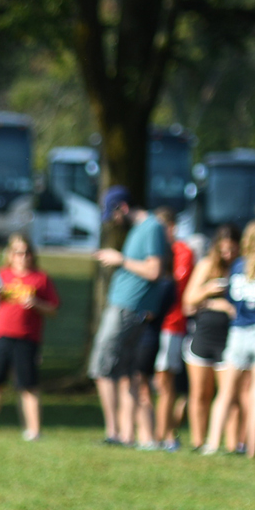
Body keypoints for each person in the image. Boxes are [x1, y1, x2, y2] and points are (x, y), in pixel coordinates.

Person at [91, 186, 167, 446]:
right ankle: (126, 434)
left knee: (102, 367)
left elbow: (154, 270)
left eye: (112, 215)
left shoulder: (152, 227)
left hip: (127, 308)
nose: (112, 221)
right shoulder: (139, 229)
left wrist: (120, 260)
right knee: (123, 373)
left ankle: (113, 433)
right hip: (125, 306)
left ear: (122, 207)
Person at [202, 221, 255, 458]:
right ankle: (251, 449)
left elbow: (231, 300)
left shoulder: (238, 266)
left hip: (239, 332)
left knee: (226, 393)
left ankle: (212, 443)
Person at [0, 232, 58, 440]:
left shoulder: (40, 278)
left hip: (27, 337)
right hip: (1, 334)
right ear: (10, 255)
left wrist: (37, 304)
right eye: (18, 253)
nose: (23, 257)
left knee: (28, 385)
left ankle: (34, 430)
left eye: (27, 253)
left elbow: (54, 309)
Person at [181, 225, 239, 451]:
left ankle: (233, 445)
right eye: (224, 250)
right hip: (204, 337)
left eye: (232, 249)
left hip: (229, 338)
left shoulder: (241, 267)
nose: (228, 255)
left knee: (229, 395)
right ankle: (198, 441)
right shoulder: (206, 265)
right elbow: (189, 300)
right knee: (200, 393)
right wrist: (210, 293)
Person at [152, 207, 193, 450]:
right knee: (154, 383)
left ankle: (165, 434)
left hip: (171, 323)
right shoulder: (154, 251)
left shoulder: (181, 251)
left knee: (166, 383)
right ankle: (158, 432)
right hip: (151, 324)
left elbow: (176, 286)